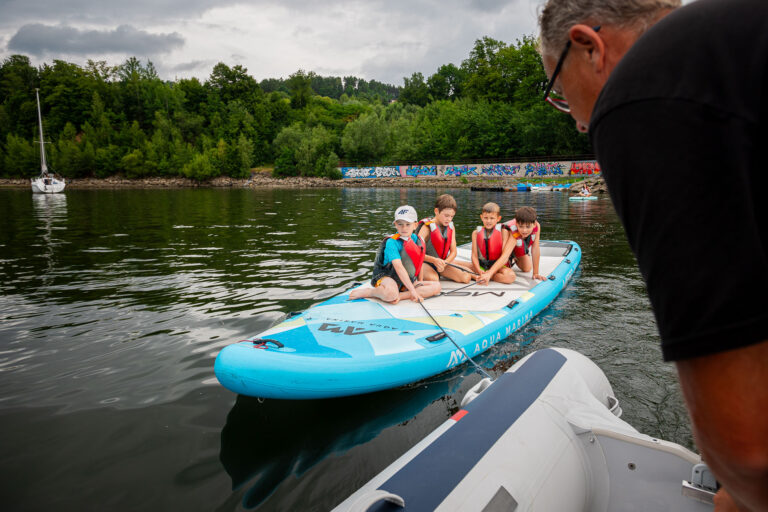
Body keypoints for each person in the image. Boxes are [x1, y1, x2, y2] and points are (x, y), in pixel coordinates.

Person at [538, 0, 768, 510]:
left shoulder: (641, 88)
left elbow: (750, 451)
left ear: (588, 46)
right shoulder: (733, 42)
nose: (576, 122)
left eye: (558, 93)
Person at [349, 205, 441, 304]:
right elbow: (399, 267)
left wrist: (419, 281)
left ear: (415, 225)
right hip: (387, 276)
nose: (404, 228)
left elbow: (419, 262)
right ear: (395, 225)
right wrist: (413, 291)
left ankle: (400, 296)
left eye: (408, 224)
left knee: (437, 287)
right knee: (390, 294)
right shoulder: (392, 243)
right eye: (400, 224)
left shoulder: (417, 240)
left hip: (407, 281)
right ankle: (371, 292)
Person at [416, 194, 472, 284]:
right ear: (436, 211)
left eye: (452, 216)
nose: (449, 219)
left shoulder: (451, 227)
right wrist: (434, 261)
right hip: (425, 262)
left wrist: (445, 263)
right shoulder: (426, 228)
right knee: (434, 279)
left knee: (466, 277)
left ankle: (447, 269)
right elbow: (416, 252)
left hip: (442, 263)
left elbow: (454, 252)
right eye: (446, 215)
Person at [471, 202, 516, 285]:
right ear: (481, 217)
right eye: (486, 218)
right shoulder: (475, 233)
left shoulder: (503, 232)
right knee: (454, 264)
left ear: (498, 219)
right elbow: (474, 256)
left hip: (499, 268)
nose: (488, 221)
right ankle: (481, 275)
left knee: (510, 277)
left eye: (492, 218)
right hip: (481, 267)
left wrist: (490, 273)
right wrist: (479, 270)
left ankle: (487, 276)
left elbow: (504, 257)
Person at [504, 206, 545, 281]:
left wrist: (535, 273)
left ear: (534, 224)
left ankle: (514, 258)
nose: (524, 230)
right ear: (516, 224)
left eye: (528, 227)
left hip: (517, 247)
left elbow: (535, 248)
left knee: (527, 268)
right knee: (505, 270)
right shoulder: (511, 230)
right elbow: (504, 254)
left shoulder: (537, 226)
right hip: (504, 250)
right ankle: (509, 260)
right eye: (521, 226)